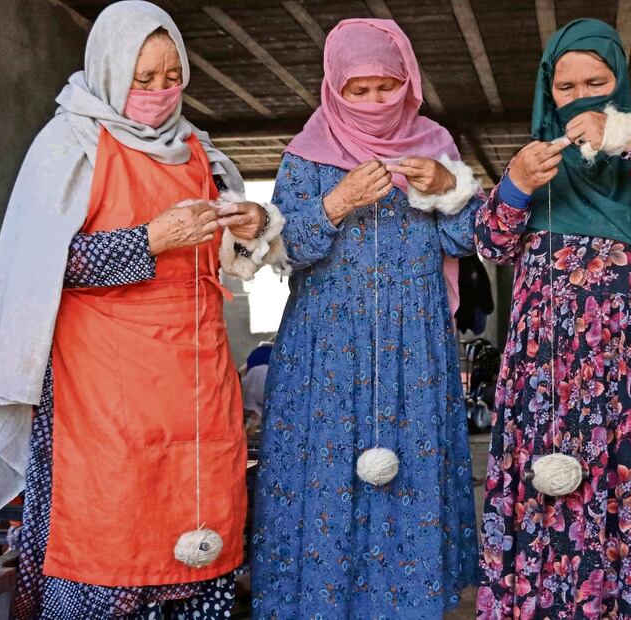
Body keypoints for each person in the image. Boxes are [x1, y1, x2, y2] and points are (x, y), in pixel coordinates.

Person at [0, 3, 285, 618]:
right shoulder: (69, 144)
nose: (160, 91)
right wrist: (150, 240)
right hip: (101, 385)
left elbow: (233, 257)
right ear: (108, 70)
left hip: (195, 379)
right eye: (143, 78)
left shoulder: (198, 149)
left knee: (195, 526)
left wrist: (248, 223)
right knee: (109, 529)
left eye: (172, 77)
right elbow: (39, 268)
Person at [474, 19, 631, 618]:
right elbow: (490, 244)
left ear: (620, 82)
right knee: (552, 493)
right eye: (566, 87)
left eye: (597, 83)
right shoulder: (536, 161)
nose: (580, 97)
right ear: (547, 91)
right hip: (549, 376)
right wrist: (515, 186)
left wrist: (626, 139)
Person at [251, 18, 481, 618]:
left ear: (409, 83)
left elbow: (466, 239)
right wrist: (337, 202)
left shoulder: (435, 144)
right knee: (325, 478)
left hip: (414, 347)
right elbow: (281, 250)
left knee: (410, 477)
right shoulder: (305, 154)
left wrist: (449, 187)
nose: (376, 101)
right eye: (360, 90)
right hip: (326, 347)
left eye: (387, 87)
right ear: (335, 88)